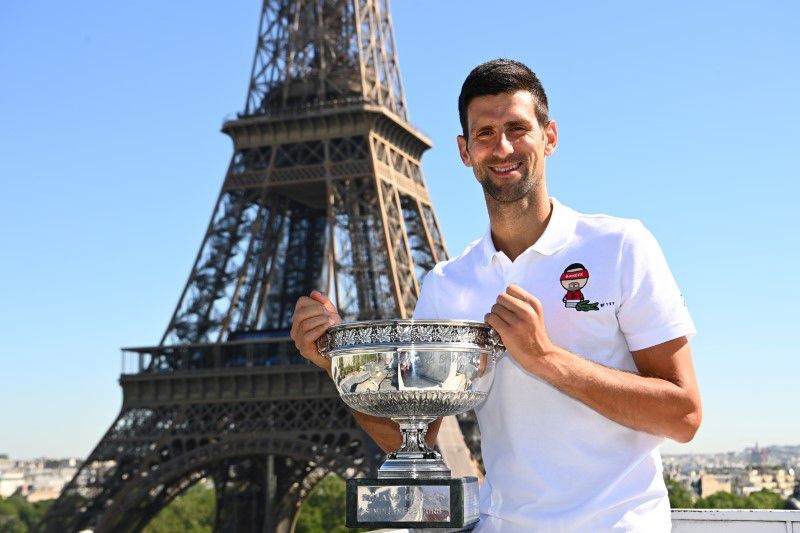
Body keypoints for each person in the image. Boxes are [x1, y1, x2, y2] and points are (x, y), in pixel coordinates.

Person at [291, 58, 702, 532]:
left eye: (517, 128)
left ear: (550, 136)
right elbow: (413, 439)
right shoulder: (447, 284)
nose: (502, 147)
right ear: (465, 152)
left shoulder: (620, 246)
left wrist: (547, 358)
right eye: (484, 134)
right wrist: (338, 364)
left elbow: (685, 415)